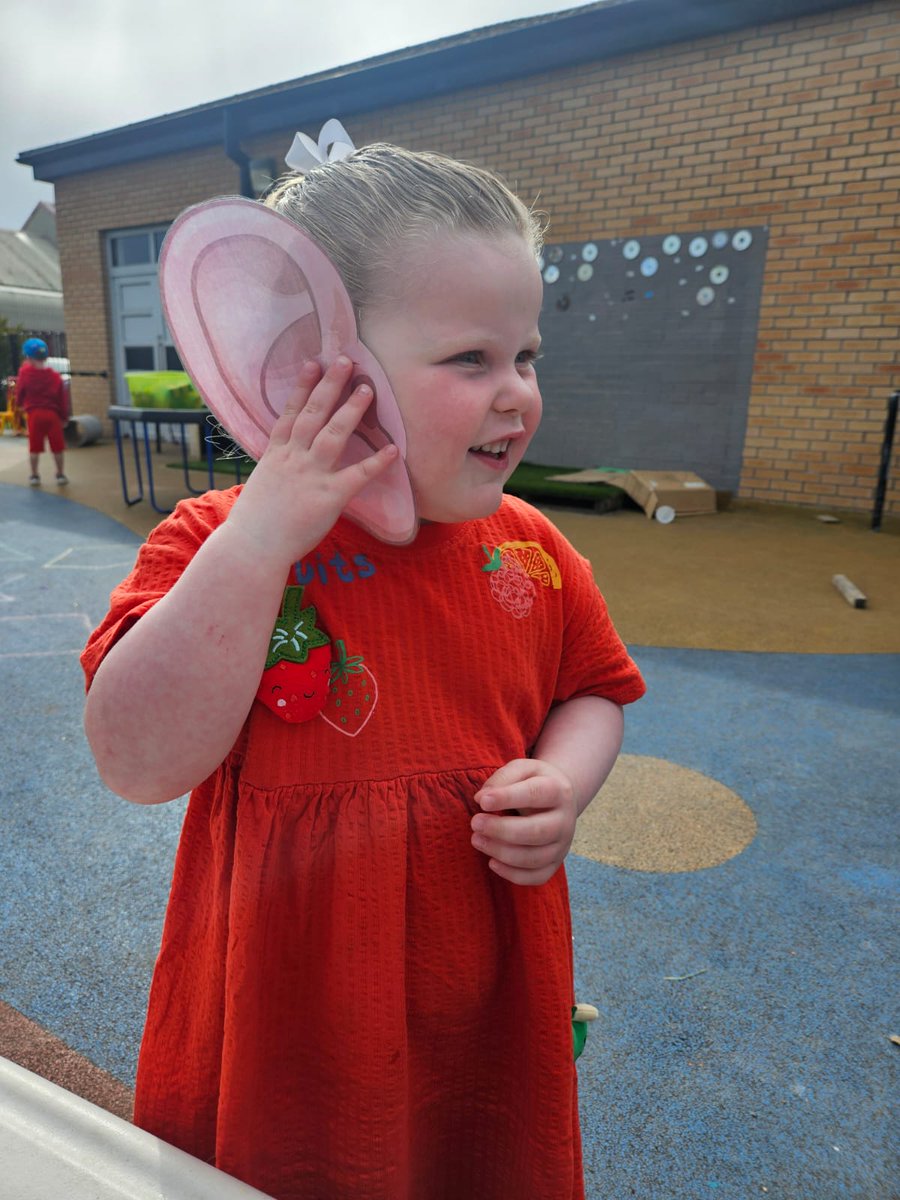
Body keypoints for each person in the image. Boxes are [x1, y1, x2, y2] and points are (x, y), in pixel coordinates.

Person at [81, 133, 646, 1200]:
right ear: (314, 369)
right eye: (470, 360)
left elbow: (594, 689)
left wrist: (565, 782)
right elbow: (138, 759)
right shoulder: (214, 542)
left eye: (525, 356)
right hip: (289, 1030)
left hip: (476, 1004)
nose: (518, 394)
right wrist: (262, 539)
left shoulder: (532, 548)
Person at [16, 337, 69, 486]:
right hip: (52, 415)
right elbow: (62, 399)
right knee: (57, 447)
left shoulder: (25, 374)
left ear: (28, 357)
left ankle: (34, 475)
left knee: (34, 448)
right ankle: (60, 475)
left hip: (34, 415)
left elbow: (20, 391)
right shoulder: (55, 376)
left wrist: (20, 404)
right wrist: (64, 417)